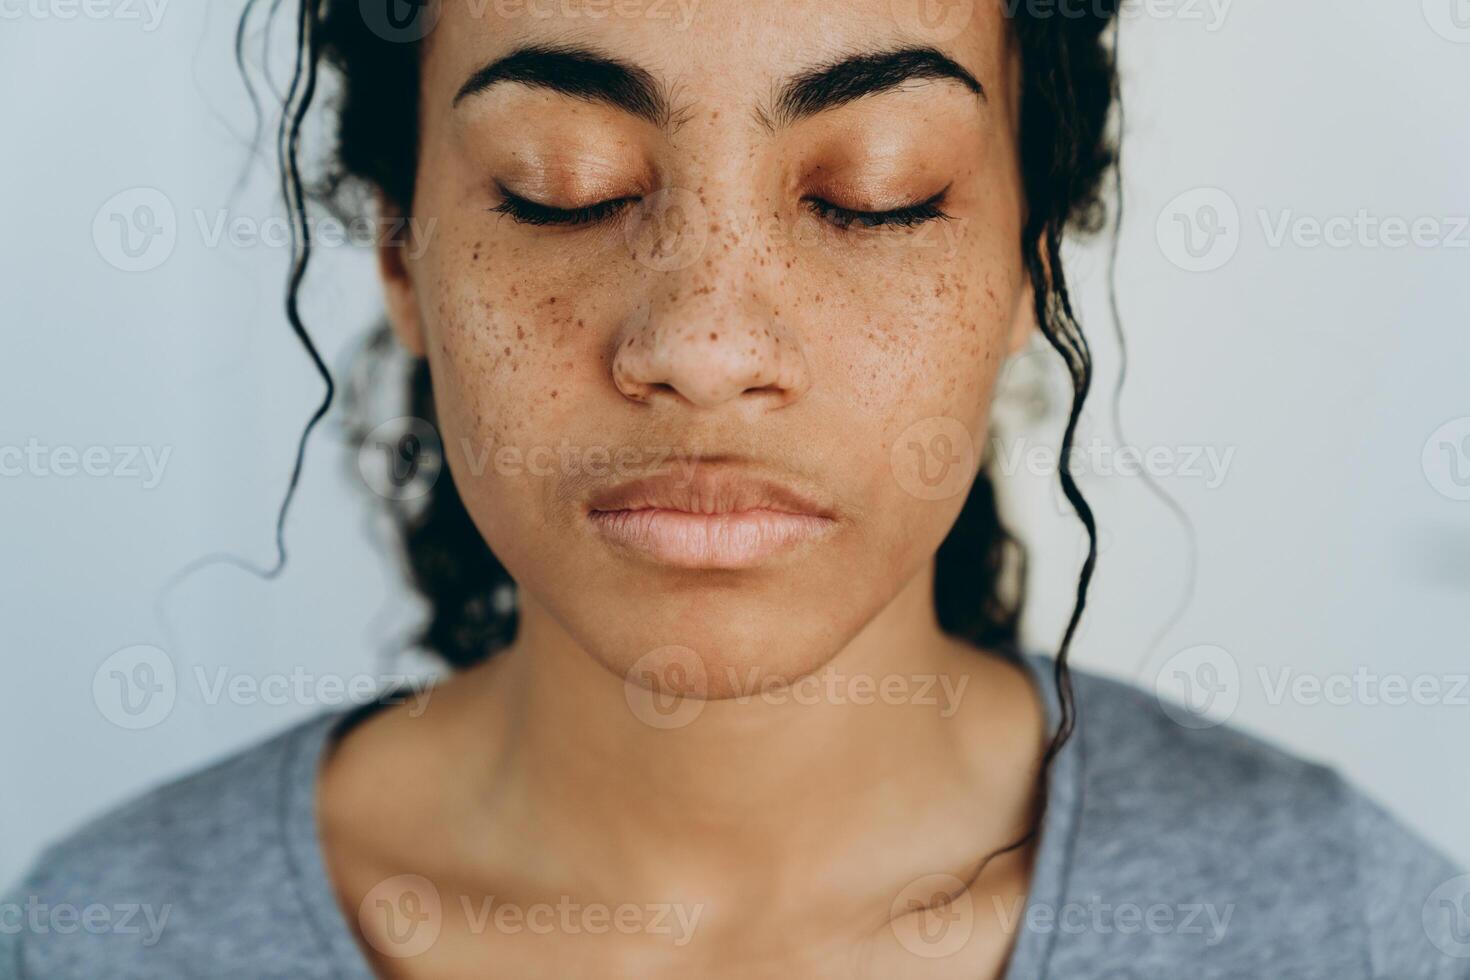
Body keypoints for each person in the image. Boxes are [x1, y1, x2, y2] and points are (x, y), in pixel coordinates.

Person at [4, 1, 1464, 977]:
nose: (703, 345)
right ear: (401, 252)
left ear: (1027, 257)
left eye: (871, 193)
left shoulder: (1340, 924)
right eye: (558, 187)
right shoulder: (113, 934)